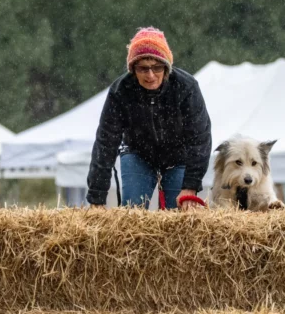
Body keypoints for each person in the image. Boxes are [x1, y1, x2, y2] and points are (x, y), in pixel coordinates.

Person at [86, 27, 212, 210]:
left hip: (178, 157)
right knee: (132, 213)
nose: (150, 75)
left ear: (166, 67)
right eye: (143, 68)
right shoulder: (120, 91)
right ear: (133, 70)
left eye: (157, 67)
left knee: (178, 218)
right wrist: (97, 197)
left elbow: (200, 138)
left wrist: (190, 186)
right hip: (137, 153)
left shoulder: (187, 87)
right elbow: (105, 143)